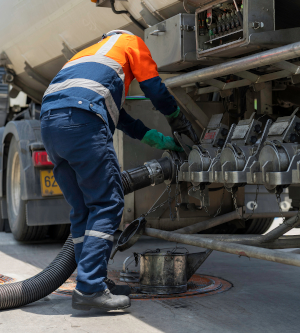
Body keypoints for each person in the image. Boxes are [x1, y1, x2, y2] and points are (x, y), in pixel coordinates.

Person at [40, 30, 198, 311]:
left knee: (83, 209)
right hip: (82, 119)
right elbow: (154, 88)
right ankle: (90, 289)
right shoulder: (129, 42)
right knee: (106, 203)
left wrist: (154, 138)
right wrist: (175, 117)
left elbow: (118, 115)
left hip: (50, 124)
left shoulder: (88, 55)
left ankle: (92, 279)